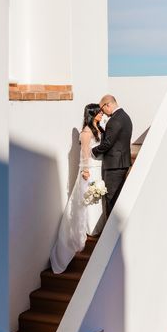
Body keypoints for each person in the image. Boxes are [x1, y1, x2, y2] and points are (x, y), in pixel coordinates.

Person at [50, 103, 105, 274]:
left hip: (99, 166)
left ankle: (97, 225)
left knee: (96, 197)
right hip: (90, 169)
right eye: (99, 112)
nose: (102, 114)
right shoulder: (86, 132)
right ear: (92, 114)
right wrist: (86, 170)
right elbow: (84, 152)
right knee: (89, 197)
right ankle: (89, 227)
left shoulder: (98, 129)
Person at [92, 95, 132, 217]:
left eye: (102, 110)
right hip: (122, 162)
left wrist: (93, 151)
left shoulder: (114, 120)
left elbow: (107, 143)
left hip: (114, 166)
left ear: (107, 105)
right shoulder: (125, 116)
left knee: (111, 199)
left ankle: (110, 233)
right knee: (117, 198)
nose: (103, 113)